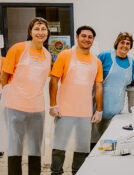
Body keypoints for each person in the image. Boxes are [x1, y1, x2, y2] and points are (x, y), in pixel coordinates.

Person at [0, 17, 51, 175]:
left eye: (43, 29)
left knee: (35, 149)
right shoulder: (18, 48)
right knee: (15, 149)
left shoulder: (47, 55)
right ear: (30, 32)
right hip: (15, 106)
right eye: (37, 29)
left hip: (36, 108)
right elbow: (4, 76)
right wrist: (9, 97)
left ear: (47, 32)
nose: (40, 32)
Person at [49, 26, 103, 175]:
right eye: (84, 36)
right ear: (77, 36)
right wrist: (53, 105)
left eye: (90, 37)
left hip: (85, 112)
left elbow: (98, 86)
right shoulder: (65, 55)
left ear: (93, 40)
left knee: (81, 147)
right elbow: (53, 81)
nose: (87, 39)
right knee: (59, 147)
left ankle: (78, 172)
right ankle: (56, 172)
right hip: (64, 110)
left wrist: (99, 110)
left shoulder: (96, 61)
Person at [90, 32, 134, 149]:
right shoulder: (105, 56)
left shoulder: (131, 62)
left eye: (128, 43)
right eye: (122, 42)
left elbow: (130, 81)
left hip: (117, 111)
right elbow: (91, 76)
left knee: (110, 143)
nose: (125, 45)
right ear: (117, 43)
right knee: (94, 142)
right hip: (98, 109)